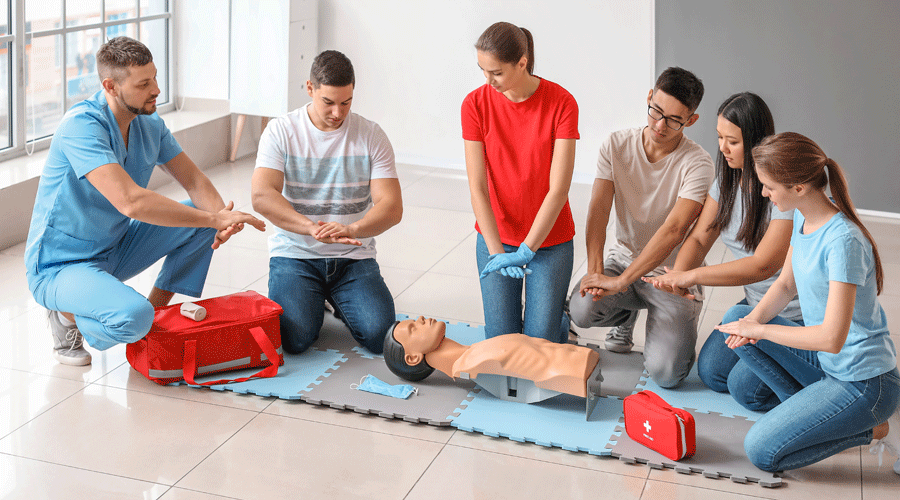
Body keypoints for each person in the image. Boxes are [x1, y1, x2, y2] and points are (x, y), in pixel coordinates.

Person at [25, 37, 264, 366]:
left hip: (115, 247)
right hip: (60, 265)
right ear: (110, 85)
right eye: (143, 84)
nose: (156, 90)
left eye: (154, 78)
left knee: (200, 219)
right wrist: (214, 220)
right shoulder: (80, 127)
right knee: (132, 318)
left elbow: (193, 180)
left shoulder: (149, 124)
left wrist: (222, 218)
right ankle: (67, 316)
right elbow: (131, 202)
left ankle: (155, 316)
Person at [717, 132, 900, 474]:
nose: (763, 193)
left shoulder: (843, 242)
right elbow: (786, 284)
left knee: (761, 451)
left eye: (769, 186)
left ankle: (870, 429)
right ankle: (816, 413)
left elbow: (832, 338)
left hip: (864, 382)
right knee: (737, 320)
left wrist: (761, 331)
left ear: (799, 186)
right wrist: (750, 324)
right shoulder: (803, 215)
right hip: (827, 365)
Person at [643, 92, 801, 410]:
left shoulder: (781, 188)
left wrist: (693, 275)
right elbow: (700, 239)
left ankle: (817, 370)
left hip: (795, 316)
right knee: (713, 374)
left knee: (745, 390)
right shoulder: (726, 181)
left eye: (732, 141)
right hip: (756, 306)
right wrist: (678, 279)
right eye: (719, 138)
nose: (722, 148)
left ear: (756, 142)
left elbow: (763, 265)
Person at [567, 67, 714, 388]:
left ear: (691, 121)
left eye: (674, 119)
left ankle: (655, 314)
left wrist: (622, 281)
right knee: (581, 309)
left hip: (672, 275)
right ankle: (627, 315)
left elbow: (675, 230)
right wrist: (596, 274)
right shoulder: (616, 145)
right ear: (649, 97)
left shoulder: (698, 163)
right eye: (656, 111)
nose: (661, 125)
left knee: (666, 374)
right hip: (623, 259)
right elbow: (598, 208)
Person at [251, 50, 402, 355]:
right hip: (296, 254)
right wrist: (309, 228)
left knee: (380, 336)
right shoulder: (281, 130)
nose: (338, 113)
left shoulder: (371, 135)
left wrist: (355, 229)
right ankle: (315, 296)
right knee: (294, 340)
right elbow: (261, 195)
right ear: (310, 89)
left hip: (352, 258)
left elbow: (392, 206)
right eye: (329, 102)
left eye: (346, 103)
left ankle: (332, 295)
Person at [462, 22, 579, 344]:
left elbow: (559, 189)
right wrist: (499, 253)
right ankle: (546, 312)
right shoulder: (474, 104)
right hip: (496, 237)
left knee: (539, 343)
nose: (488, 80)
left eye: (496, 72)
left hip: (549, 241)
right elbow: (477, 187)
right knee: (503, 342)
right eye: (483, 71)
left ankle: (557, 318)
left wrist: (527, 249)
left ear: (522, 63)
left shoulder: (562, 102)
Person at [383, 316, 602, 400]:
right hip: (574, 368)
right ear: (412, 358)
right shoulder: (475, 361)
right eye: (413, 328)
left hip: (578, 361)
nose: (420, 318)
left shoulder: (475, 351)